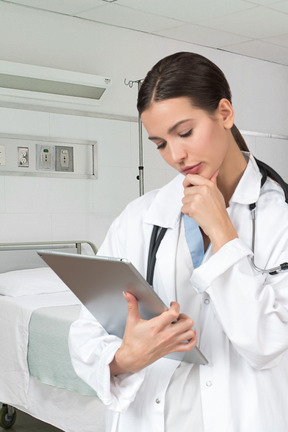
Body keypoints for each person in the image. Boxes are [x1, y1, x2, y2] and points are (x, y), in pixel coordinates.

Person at [69, 52, 288, 432]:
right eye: (159, 143)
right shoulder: (141, 216)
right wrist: (125, 357)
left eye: (184, 133)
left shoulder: (279, 218)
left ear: (224, 113)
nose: (176, 156)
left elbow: (266, 344)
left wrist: (223, 234)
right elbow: (86, 333)